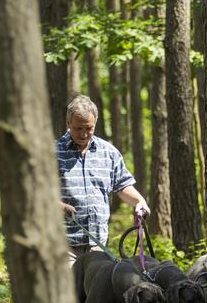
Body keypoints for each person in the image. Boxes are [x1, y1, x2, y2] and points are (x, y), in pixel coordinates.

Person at [56, 94, 150, 267]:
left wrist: (139, 201)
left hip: (97, 245)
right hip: (63, 245)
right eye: (78, 128)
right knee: (70, 293)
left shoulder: (109, 152)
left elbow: (122, 186)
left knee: (96, 294)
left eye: (89, 128)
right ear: (68, 123)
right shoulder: (53, 153)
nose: (84, 134)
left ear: (95, 123)